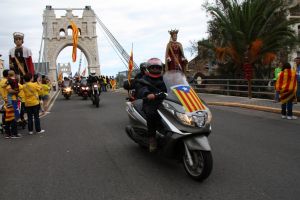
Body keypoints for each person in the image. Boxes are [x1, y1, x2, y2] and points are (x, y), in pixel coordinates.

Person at [139, 58, 167, 152]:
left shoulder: (164, 78)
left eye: (157, 67)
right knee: (152, 114)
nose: (155, 69)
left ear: (161, 69)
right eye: (153, 67)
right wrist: (147, 94)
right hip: (150, 102)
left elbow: (172, 85)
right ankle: (152, 139)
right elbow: (142, 88)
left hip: (164, 101)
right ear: (148, 69)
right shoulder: (144, 79)